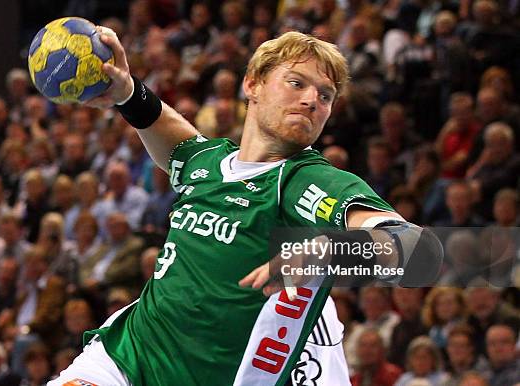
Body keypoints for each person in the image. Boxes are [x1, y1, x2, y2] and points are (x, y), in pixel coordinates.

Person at [50, 30, 442, 386]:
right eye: (296, 83)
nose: (312, 101)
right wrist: (128, 92)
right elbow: (175, 140)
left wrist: (328, 251)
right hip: (127, 357)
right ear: (252, 85)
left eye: (325, 96)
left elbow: (420, 255)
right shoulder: (210, 162)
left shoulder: (305, 180)